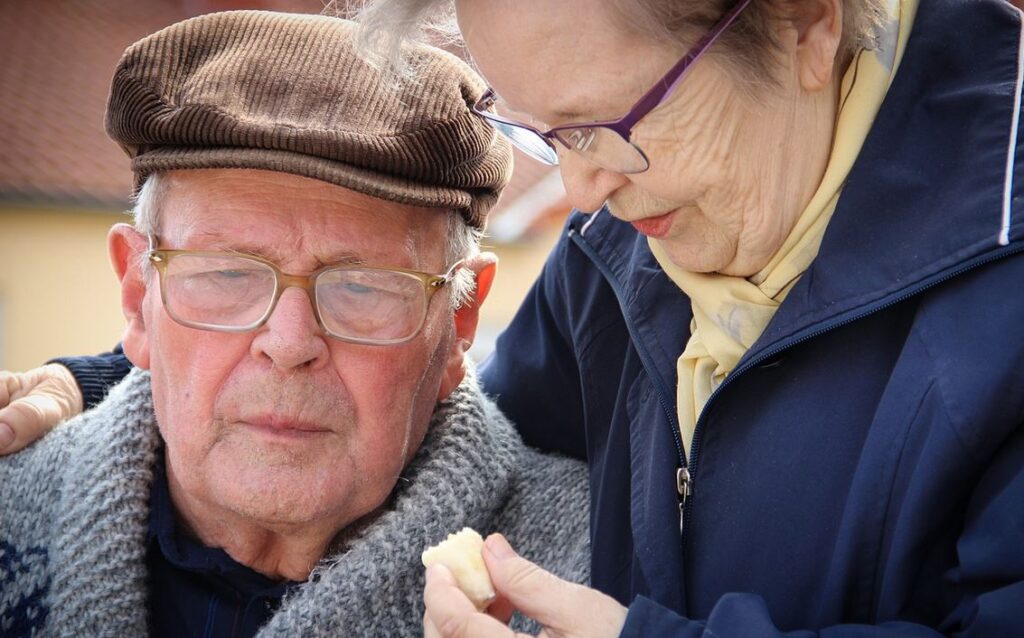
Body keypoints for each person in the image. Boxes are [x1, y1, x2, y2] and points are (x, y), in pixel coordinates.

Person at [4, 0, 1024, 635]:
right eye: (539, 133)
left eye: (611, 122)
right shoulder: (634, 229)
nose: (579, 194)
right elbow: (410, 403)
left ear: (806, 21)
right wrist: (100, 396)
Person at [0, 11, 591, 637]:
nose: (289, 345)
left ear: (459, 321)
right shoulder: (11, 507)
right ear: (139, 293)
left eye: (362, 285)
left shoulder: (598, 570)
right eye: (227, 274)